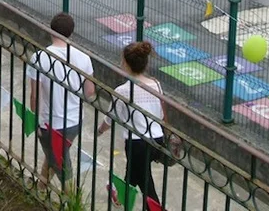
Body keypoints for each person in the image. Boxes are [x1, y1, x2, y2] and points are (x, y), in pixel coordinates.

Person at [26, 13, 95, 192]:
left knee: (62, 167)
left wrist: (36, 119)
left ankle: (71, 199)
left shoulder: (40, 57)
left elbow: (35, 96)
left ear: (51, 30)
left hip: (51, 123)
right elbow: (90, 92)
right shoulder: (84, 57)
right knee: (55, 155)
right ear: (71, 33)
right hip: (75, 121)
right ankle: (41, 187)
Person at [97, 41, 168, 209]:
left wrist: (100, 130)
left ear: (126, 64)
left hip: (137, 143)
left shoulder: (122, 91)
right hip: (157, 139)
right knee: (133, 173)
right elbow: (161, 114)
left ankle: (153, 207)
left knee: (146, 184)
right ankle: (119, 196)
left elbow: (111, 117)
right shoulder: (156, 85)